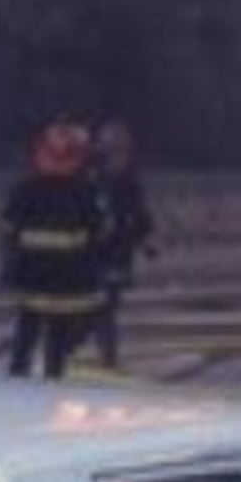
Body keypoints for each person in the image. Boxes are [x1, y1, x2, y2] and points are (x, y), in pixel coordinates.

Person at [0, 121, 107, 380]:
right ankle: (51, 382)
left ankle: (16, 383)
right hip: (68, 282)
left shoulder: (25, 189)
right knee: (57, 340)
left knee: (26, 336)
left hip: (32, 278)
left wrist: (10, 271)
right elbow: (100, 232)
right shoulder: (87, 191)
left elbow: (8, 229)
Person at [85, 120, 156, 371]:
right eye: (116, 152)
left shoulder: (129, 184)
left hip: (117, 255)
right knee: (98, 307)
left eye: (124, 152)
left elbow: (140, 216)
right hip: (93, 254)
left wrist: (147, 242)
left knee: (106, 307)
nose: (121, 158)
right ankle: (103, 356)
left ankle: (107, 359)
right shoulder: (92, 180)